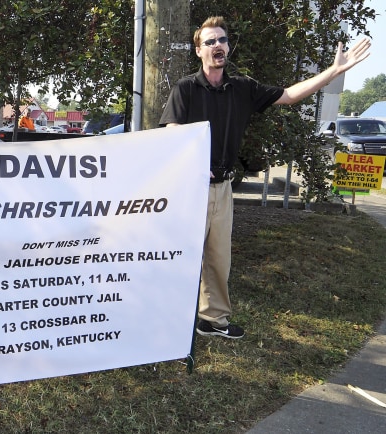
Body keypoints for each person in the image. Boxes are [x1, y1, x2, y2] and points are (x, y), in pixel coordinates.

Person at [159, 16, 370, 339]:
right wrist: (194, 165)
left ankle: (213, 320)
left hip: (224, 188)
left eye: (222, 40)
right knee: (180, 254)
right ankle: (166, 321)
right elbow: (172, 132)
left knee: (218, 258)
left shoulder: (242, 87)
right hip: (190, 188)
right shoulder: (185, 88)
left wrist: (334, 71)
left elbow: (289, 95)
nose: (218, 46)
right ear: (198, 50)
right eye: (210, 42)